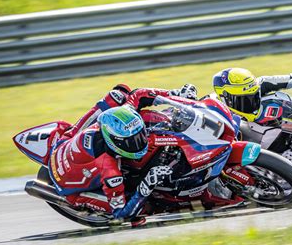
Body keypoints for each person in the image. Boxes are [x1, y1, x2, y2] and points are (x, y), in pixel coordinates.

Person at [48, 83, 197, 225]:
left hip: (65, 141)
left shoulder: (124, 114)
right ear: (116, 144)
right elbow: (122, 213)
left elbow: (139, 95)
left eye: (140, 136)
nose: (140, 142)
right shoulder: (109, 171)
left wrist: (174, 94)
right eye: (132, 142)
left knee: (118, 94)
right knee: (143, 209)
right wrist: (147, 183)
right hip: (68, 186)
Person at [212, 66, 292, 123]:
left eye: (254, 97)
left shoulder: (259, 84)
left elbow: (288, 79)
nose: (251, 103)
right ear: (225, 99)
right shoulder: (214, 109)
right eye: (244, 100)